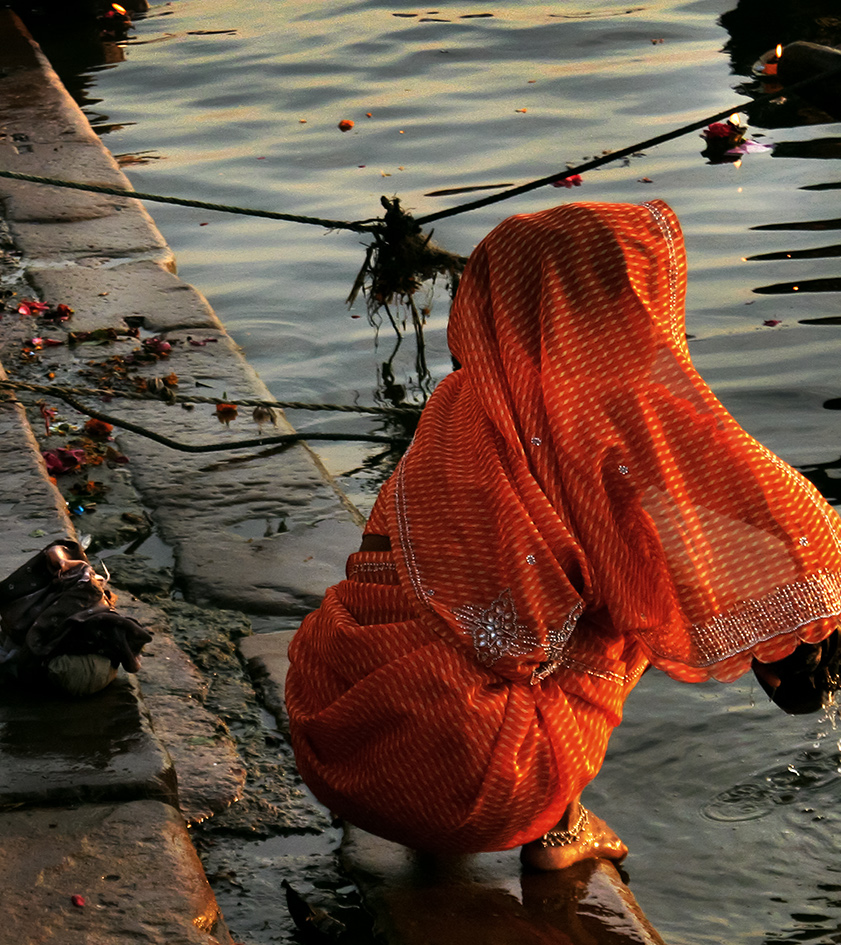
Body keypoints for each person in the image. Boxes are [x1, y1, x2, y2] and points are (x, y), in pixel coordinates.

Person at [285, 200, 841, 870]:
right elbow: (798, 533)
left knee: (495, 589)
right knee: (641, 582)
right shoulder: (631, 423)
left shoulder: (460, 399)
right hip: (488, 778)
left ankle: (452, 822)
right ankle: (558, 828)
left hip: (339, 735)